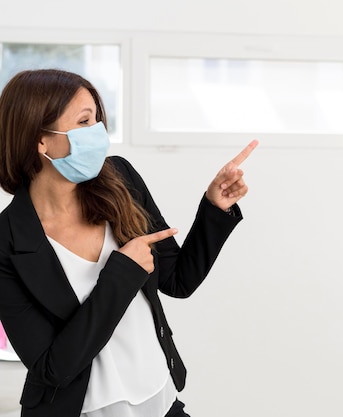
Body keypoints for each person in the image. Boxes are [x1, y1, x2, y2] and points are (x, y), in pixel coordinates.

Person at [0, 69, 258, 417]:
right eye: (84, 121)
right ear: (40, 140)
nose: (98, 134)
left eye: (98, 120)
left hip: (162, 401)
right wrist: (121, 274)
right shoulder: (8, 242)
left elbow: (177, 280)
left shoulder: (120, 179)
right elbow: (52, 369)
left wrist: (214, 208)